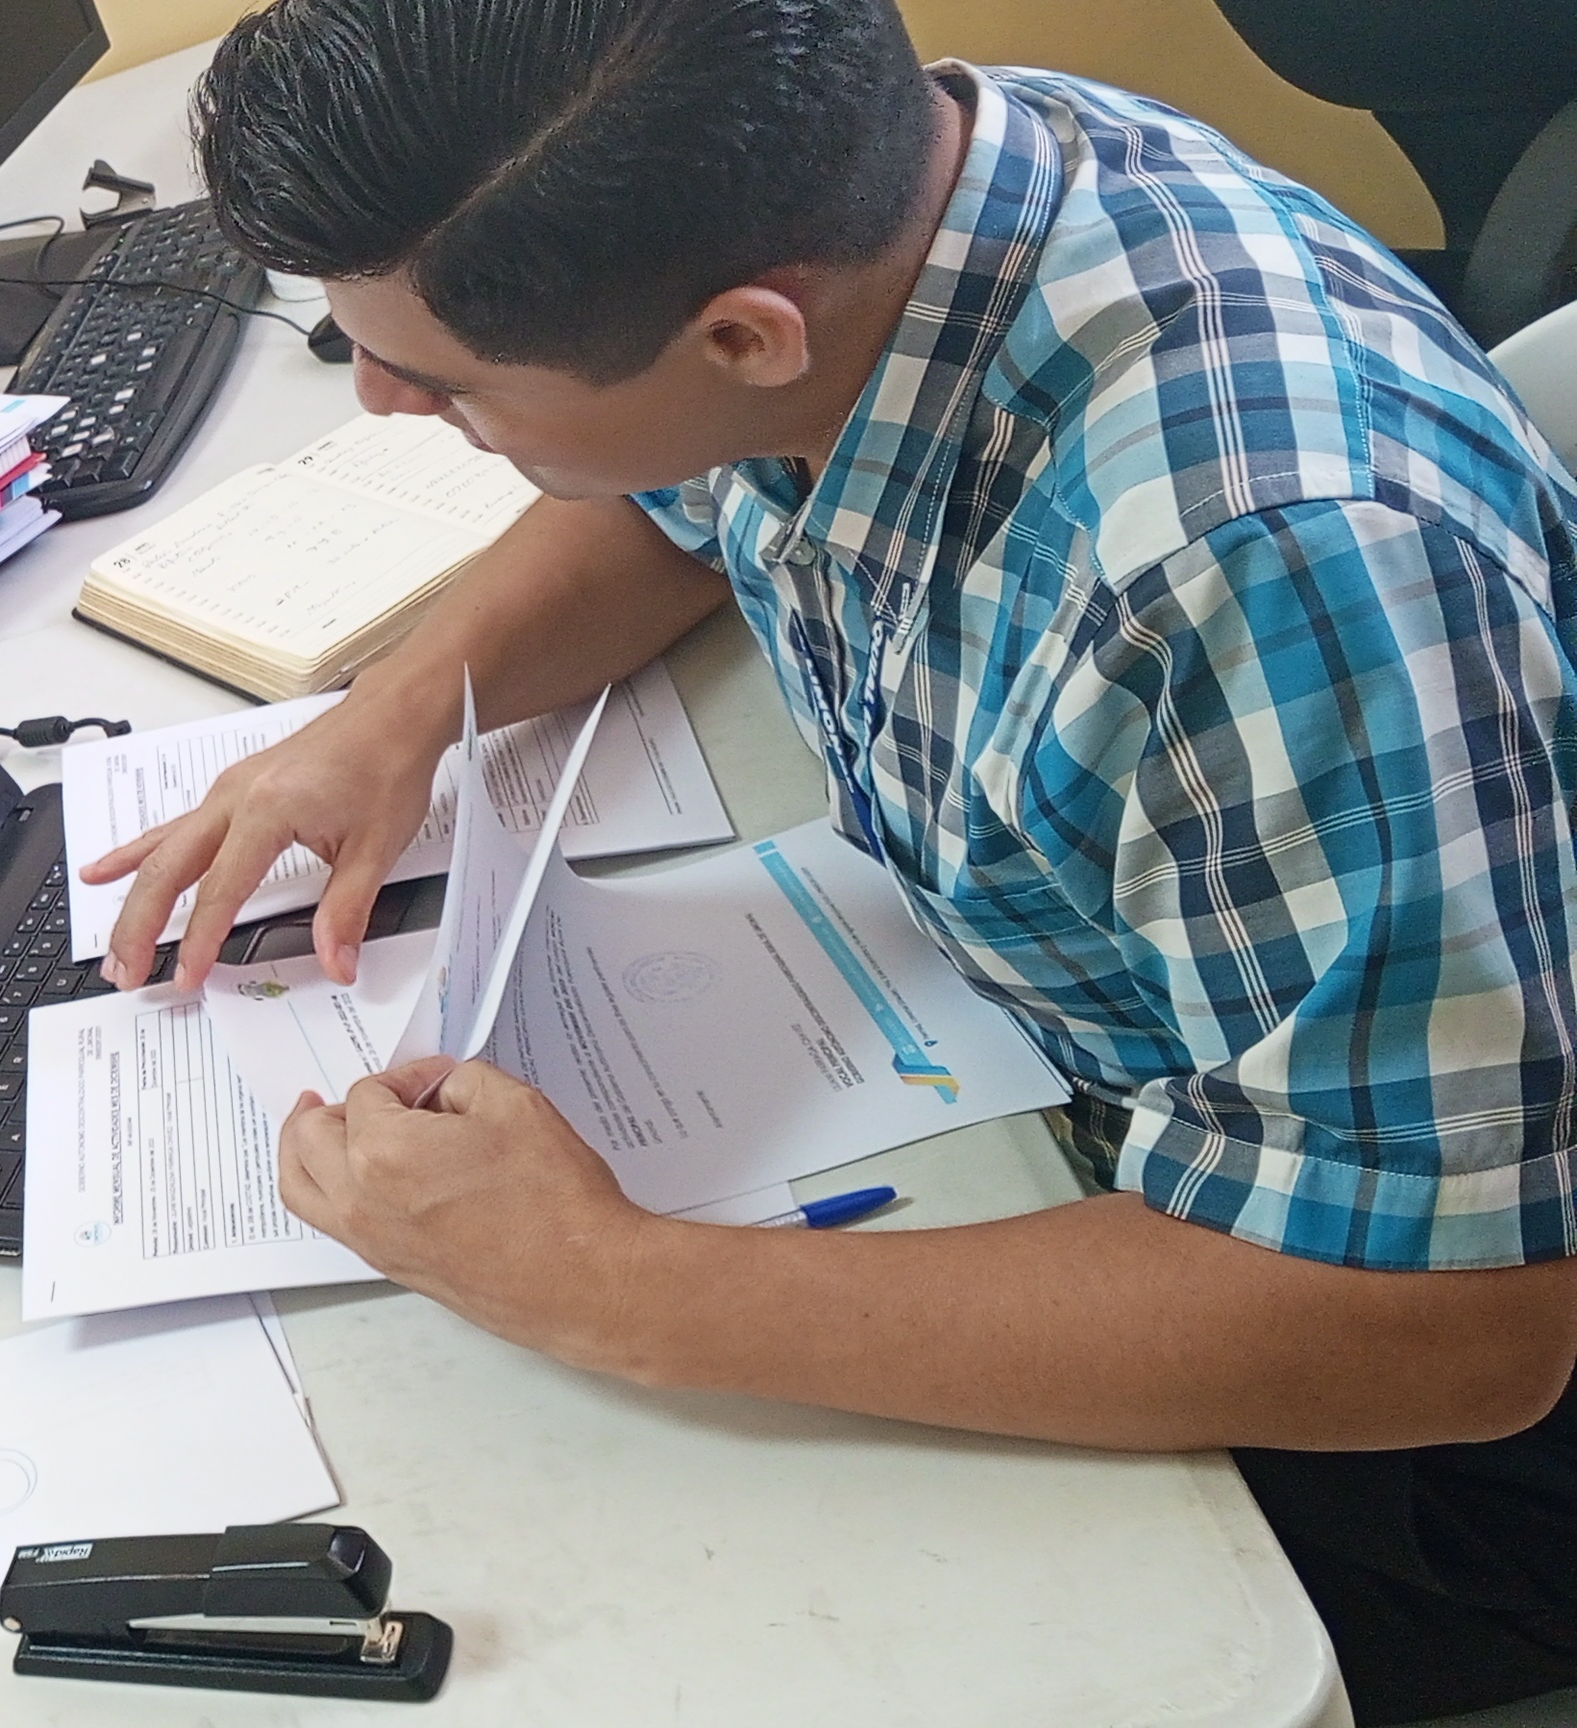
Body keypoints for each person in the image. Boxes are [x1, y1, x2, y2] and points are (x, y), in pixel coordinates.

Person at [95, 0, 1577, 1718]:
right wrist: (400, 711)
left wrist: (603, 1285)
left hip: (1417, 1428)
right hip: (1065, 1069)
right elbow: (672, 492)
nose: (380, 398)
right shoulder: (909, 192)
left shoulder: (1266, 569)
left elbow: (1455, 1329)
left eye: (450, 386)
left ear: (745, 334)